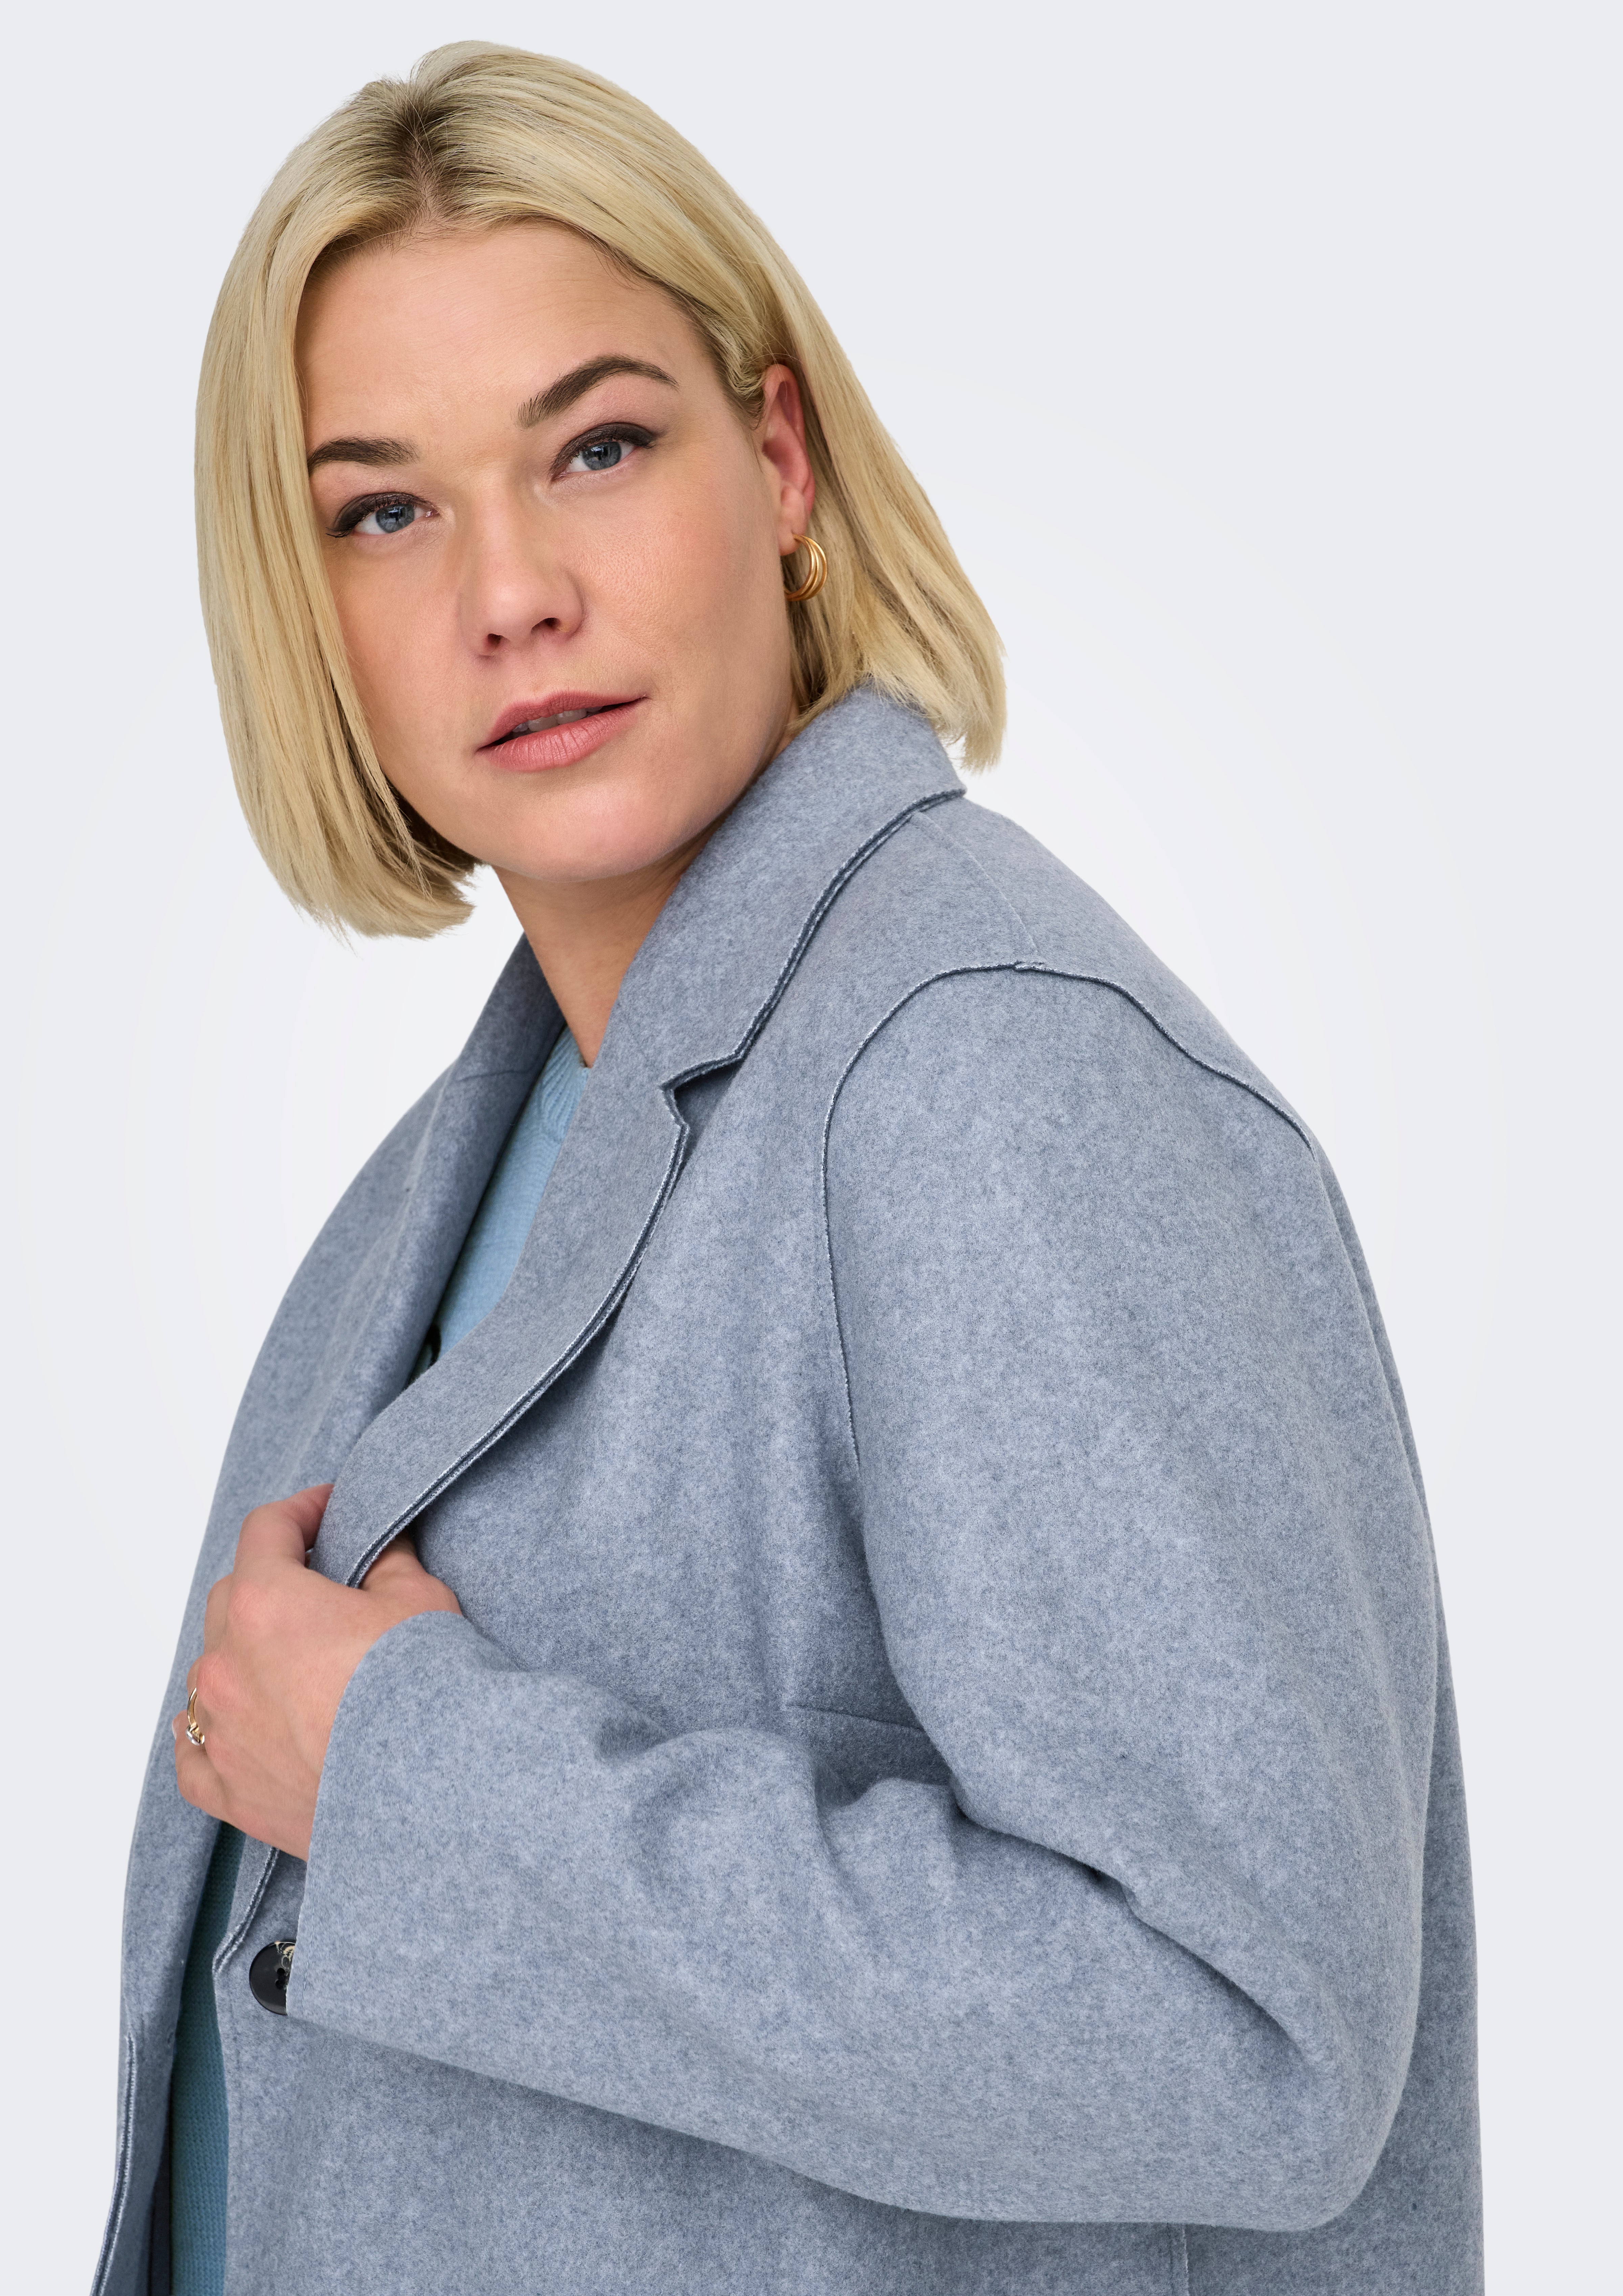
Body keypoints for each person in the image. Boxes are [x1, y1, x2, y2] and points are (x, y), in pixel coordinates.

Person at [94, 41, 1480, 2296]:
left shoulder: (987, 1072)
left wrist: (421, 1783)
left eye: (598, 446)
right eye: (386, 509)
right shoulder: (431, 1187)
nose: (513, 592)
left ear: (779, 461)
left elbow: (1251, 2036)